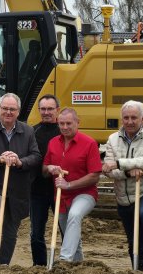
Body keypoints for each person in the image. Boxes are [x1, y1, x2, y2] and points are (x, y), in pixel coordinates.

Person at [0, 92, 41, 264]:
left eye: (12, 109)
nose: (8, 112)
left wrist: (20, 162)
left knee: (11, 230)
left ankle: (3, 263)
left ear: (18, 112)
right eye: (5, 108)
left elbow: (36, 156)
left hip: (18, 188)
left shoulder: (27, 131)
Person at [103, 100, 143, 271]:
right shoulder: (113, 139)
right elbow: (108, 170)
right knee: (132, 234)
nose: (130, 121)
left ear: (142, 118)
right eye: (126, 118)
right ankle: (136, 267)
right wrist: (128, 172)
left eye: (134, 118)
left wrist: (120, 163)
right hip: (123, 196)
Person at [43, 107, 102, 263]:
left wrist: (69, 184)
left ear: (77, 122)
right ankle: (77, 266)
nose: (64, 127)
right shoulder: (53, 142)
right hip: (61, 197)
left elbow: (95, 175)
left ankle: (64, 260)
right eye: (61, 123)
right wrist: (49, 168)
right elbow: (44, 167)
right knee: (70, 232)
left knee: (74, 216)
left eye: (68, 123)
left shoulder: (89, 143)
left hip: (85, 194)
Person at [29, 95, 61, 266]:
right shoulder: (32, 132)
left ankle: (68, 262)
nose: (46, 112)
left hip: (62, 190)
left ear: (57, 110)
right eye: (43, 109)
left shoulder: (64, 131)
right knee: (36, 232)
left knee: (65, 229)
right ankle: (39, 265)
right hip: (37, 190)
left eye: (50, 109)